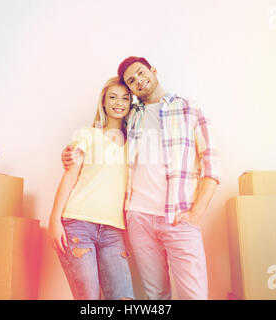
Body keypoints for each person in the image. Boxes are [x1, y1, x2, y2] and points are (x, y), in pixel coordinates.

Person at [62, 57, 221, 300]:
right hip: (138, 219)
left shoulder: (190, 108)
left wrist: (196, 214)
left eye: (141, 73)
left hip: (179, 218)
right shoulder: (131, 115)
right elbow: (102, 144)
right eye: (131, 81)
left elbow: (211, 165)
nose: (139, 81)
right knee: (155, 296)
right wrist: (69, 154)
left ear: (153, 70)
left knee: (194, 295)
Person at [48, 76, 134, 300]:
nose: (119, 103)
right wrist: (54, 220)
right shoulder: (86, 134)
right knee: (89, 299)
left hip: (114, 231)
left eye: (125, 98)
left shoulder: (135, 141)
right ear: (103, 102)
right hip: (77, 225)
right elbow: (70, 176)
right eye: (113, 97)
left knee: (124, 298)